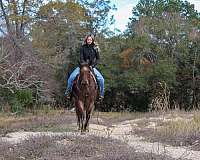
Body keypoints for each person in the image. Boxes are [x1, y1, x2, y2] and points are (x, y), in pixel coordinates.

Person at [65, 34, 104, 100]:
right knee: (71, 77)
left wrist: (92, 65)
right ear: (86, 40)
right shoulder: (82, 48)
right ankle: (68, 92)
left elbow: (98, 59)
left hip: (91, 67)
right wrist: (83, 64)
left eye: (90, 40)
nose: (89, 41)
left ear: (92, 40)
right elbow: (81, 57)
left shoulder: (95, 48)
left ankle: (101, 94)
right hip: (82, 66)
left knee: (101, 80)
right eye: (88, 39)